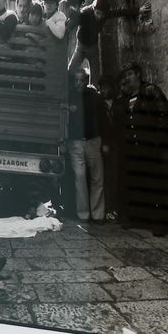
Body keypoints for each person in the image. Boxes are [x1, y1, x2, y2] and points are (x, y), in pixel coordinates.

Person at [114, 63, 168, 235]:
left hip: (150, 146)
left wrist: (157, 139)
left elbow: (164, 114)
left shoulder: (151, 90)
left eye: (129, 74)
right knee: (138, 183)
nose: (127, 78)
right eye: (125, 76)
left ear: (138, 74)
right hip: (134, 148)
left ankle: (160, 224)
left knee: (155, 184)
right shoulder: (127, 97)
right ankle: (141, 219)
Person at [66, 0, 151, 79]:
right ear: (94, 9)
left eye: (102, 14)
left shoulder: (106, 14)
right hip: (81, 47)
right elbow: (72, 22)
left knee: (95, 75)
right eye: (98, 13)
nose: (99, 17)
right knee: (71, 70)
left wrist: (139, 10)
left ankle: (94, 91)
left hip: (93, 47)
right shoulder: (85, 13)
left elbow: (120, 12)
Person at [67, 68, 105, 223]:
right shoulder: (68, 96)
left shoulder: (94, 97)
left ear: (87, 81)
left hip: (93, 140)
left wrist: (103, 140)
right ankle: (83, 214)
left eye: (82, 80)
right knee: (80, 177)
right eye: (76, 80)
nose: (79, 83)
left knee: (97, 177)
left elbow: (102, 119)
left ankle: (98, 215)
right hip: (75, 142)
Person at [96, 74, 119, 221]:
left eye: (105, 87)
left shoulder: (119, 102)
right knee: (105, 177)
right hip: (104, 144)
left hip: (117, 144)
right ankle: (107, 208)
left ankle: (115, 208)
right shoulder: (99, 104)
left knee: (115, 176)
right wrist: (104, 143)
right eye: (101, 88)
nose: (103, 90)